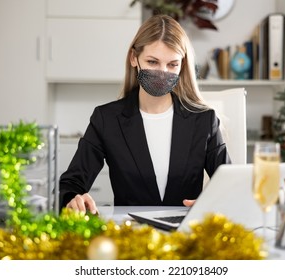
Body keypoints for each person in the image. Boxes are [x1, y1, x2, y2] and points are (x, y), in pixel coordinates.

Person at [59, 14, 231, 214]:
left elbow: (229, 186)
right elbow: (70, 184)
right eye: (152, 62)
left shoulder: (204, 120)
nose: (162, 72)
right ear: (134, 58)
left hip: (185, 235)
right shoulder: (106, 119)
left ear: (182, 65)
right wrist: (74, 199)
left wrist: (210, 202)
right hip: (131, 235)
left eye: (172, 64)